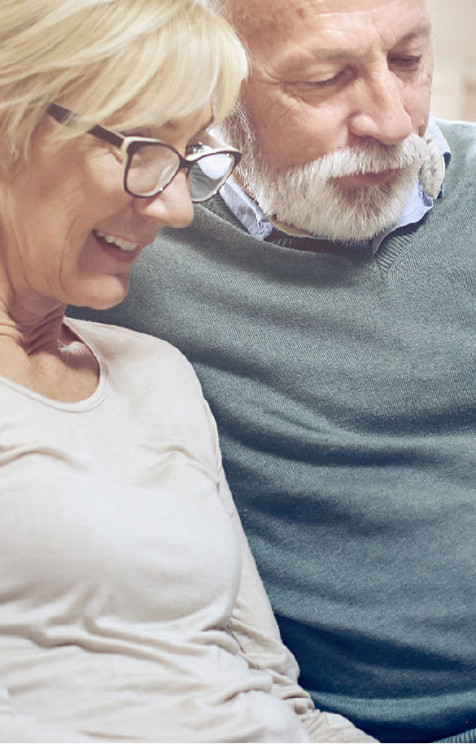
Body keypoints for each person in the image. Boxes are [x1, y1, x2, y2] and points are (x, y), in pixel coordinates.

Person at [69, 0, 476, 741]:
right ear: (216, 88)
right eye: (327, 78)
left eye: (410, 61)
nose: (391, 121)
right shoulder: (133, 231)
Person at [0, 0, 381, 742]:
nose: (177, 208)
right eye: (143, 147)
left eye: (187, 156)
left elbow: (272, 685)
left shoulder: (156, 371)